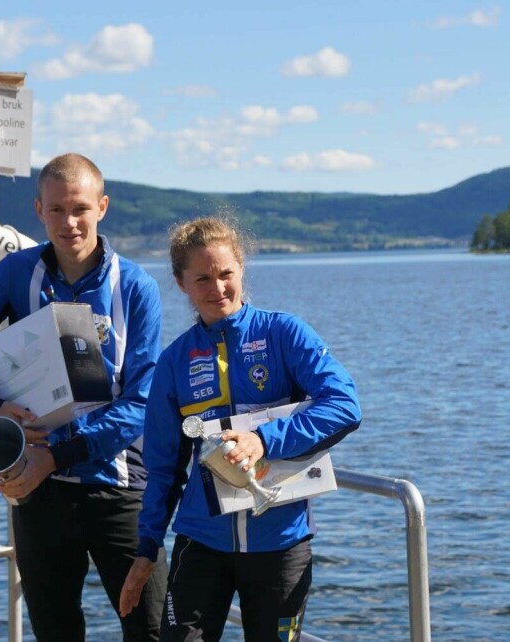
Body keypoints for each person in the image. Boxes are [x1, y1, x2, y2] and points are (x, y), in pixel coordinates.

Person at [0, 153, 167, 641]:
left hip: (116, 485)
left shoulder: (135, 286)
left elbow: (142, 402)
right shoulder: (17, 274)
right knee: (55, 632)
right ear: (38, 210)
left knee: (152, 628)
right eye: (56, 210)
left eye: (80, 208)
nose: (69, 222)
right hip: (38, 491)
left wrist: (57, 455)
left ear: (102, 207)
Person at [118, 216, 361, 641]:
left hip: (281, 543)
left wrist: (263, 440)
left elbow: (344, 405)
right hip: (201, 542)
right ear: (182, 284)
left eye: (226, 274)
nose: (218, 289)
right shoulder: (175, 362)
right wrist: (146, 548)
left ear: (242, 269)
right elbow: (162, 469)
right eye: (203, 279)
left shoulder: (283, 333)